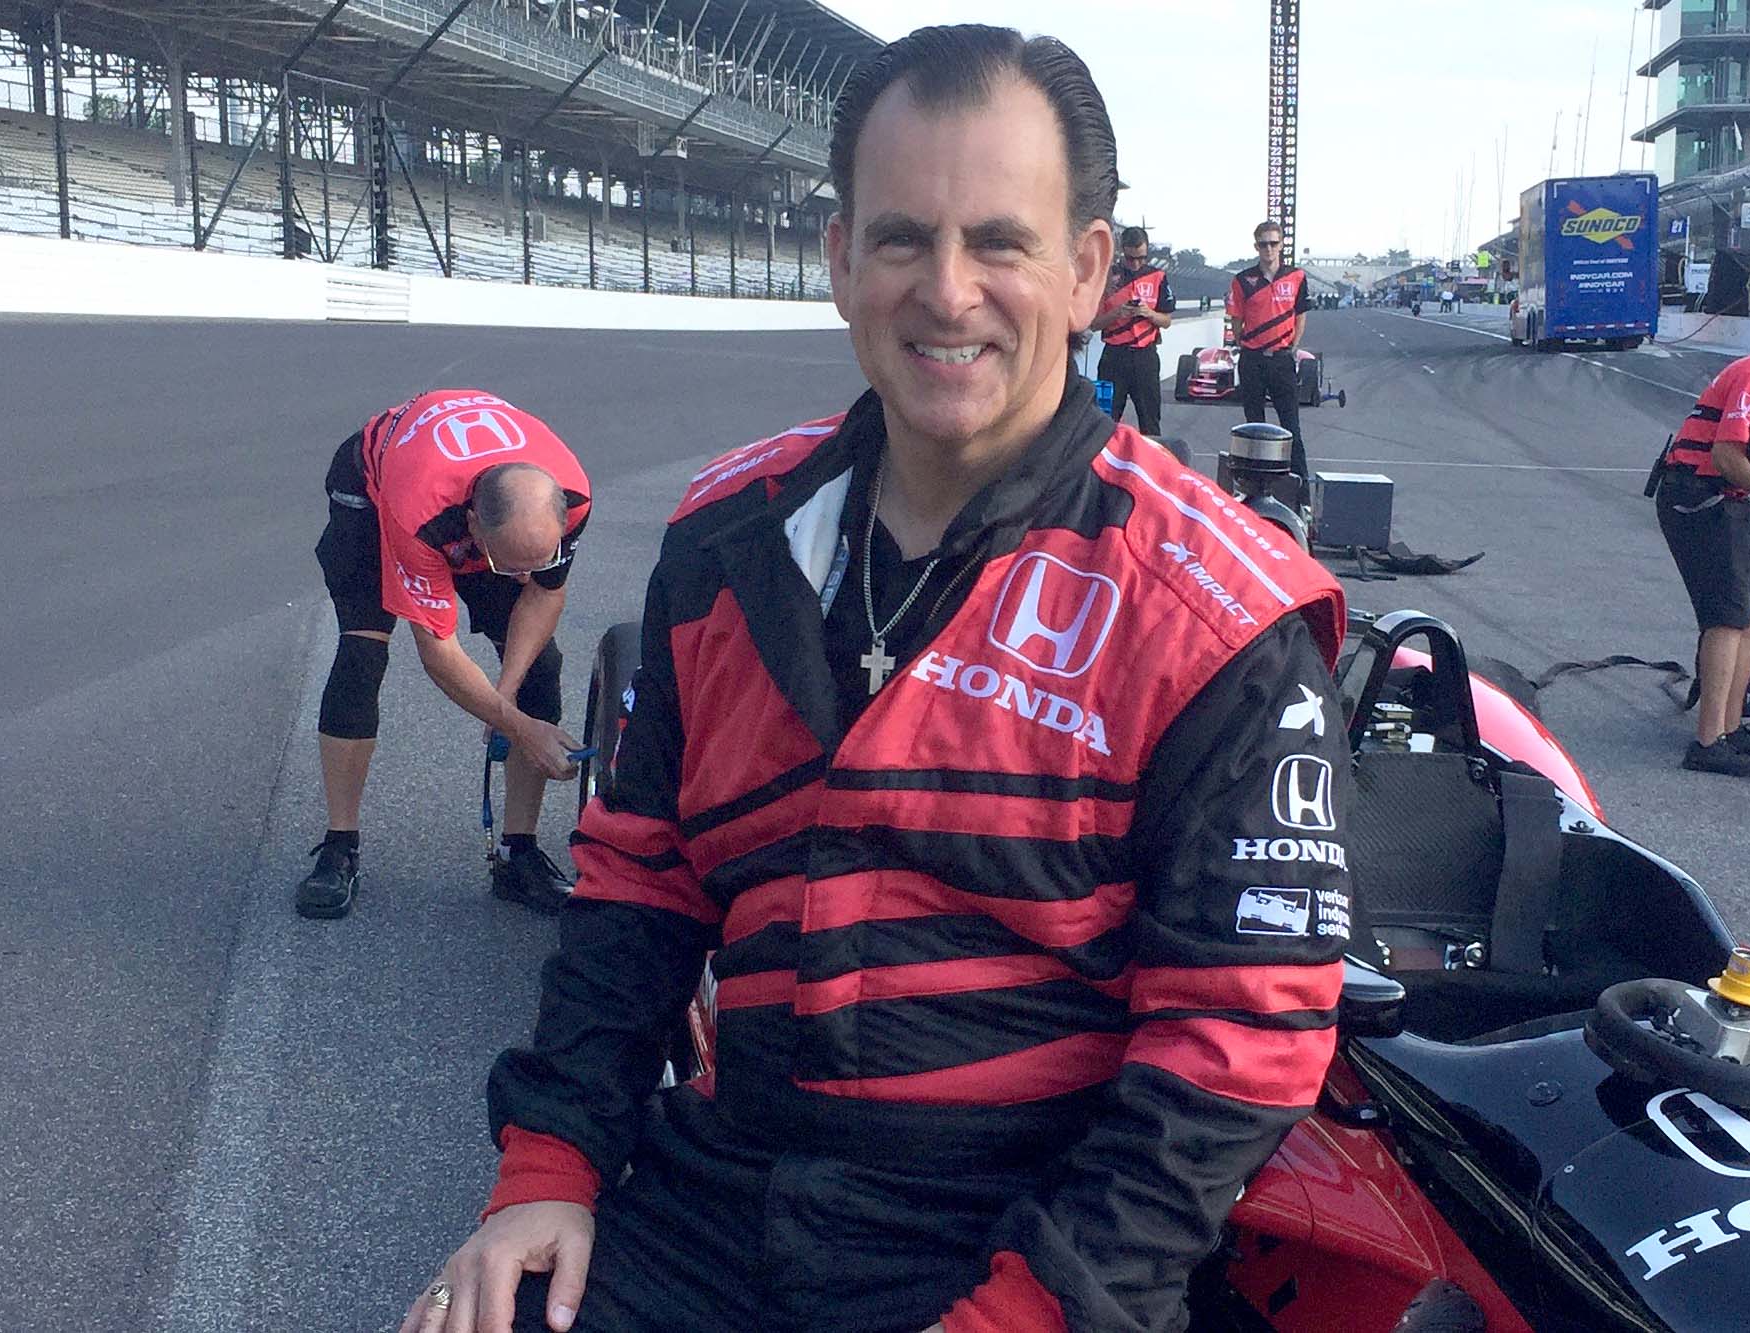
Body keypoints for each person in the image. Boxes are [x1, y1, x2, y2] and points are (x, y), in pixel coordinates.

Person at [404, 26, 1352, 1333]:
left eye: (999, 244)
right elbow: (640, 884)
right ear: (842, 259)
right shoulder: (724, 541)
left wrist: (1028, 1313)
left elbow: (1234, 1042)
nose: (947, 293)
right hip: (718, 1189)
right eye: (904, 239)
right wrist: (547, 1168)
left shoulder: (1221, 610)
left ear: (1085, 274)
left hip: (1013, 1232)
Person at [297, 389, 591, 920]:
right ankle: (340, 845)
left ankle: (517, 853)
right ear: (474, 528)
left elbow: (544, 591)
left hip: (478, 495)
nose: (524, 576)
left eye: (537, 560)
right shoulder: (422, 512)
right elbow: (438, 652)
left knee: (540, 668)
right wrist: (519, 727)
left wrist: (507, 695)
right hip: (375, 483)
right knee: (362, 654)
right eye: (510, 566)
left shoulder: (570, 495)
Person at [1655, 354, 1750, 776]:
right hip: (1697, 496)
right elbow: (1726, 456)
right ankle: (1708, 742)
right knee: (1727, 617)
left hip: (1728, 498)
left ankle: (1731, 730)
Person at [1227, 220, 1313, 479]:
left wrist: (1292, 347)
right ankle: (1254, 485)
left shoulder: (1296, 276)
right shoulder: (1243, 280)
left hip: (1281, 360)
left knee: (1291, 428)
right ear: (1256, 246)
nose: (1268, 249)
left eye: (1273, 243)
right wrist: (1247, 345)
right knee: (1254, 429)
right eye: (1263, 244)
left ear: (1281, 244)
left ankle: (1300, 489)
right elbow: (1236, 320)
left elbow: (1300, 316)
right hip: (1252, 360)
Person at [1088, 225, 1175, 436]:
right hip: (1114, 357)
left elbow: (1167, 320)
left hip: (1145, 356)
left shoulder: (1158, 277)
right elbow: (1093, 324)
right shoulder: (1107, 277)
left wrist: (1149, 313)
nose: (1136, 263)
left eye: (1141, 258)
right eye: (1130, 258)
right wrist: (1118, 313)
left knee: (1151, 422)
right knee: (1104, 421)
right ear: (1121, 252)